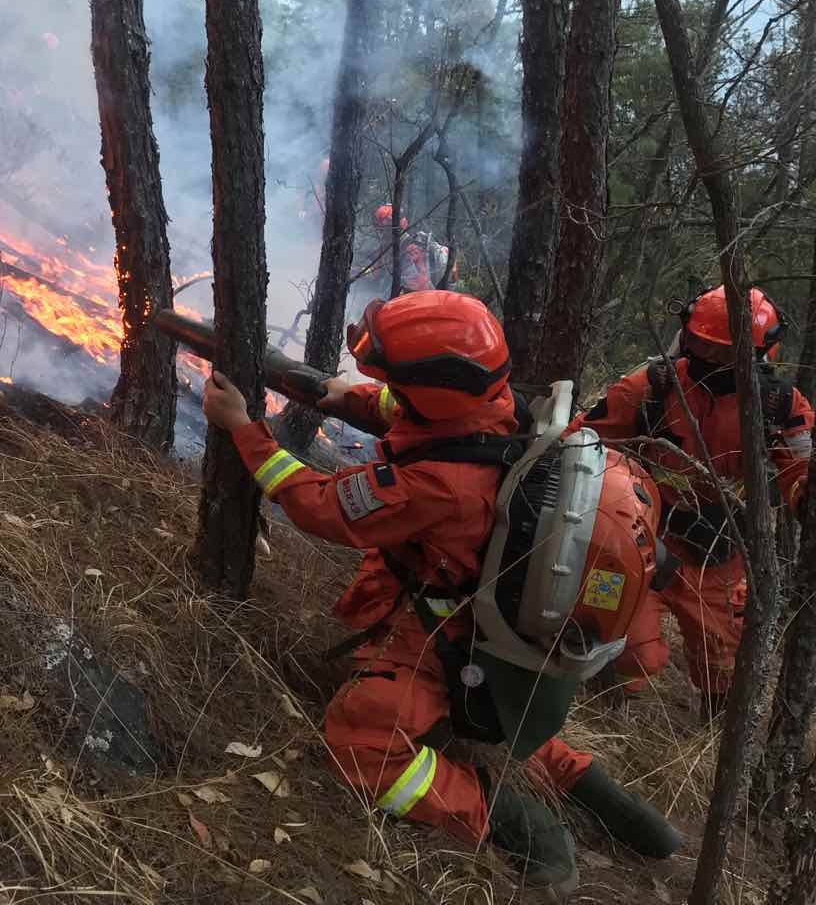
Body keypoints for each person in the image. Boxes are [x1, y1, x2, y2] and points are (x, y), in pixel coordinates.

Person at [202, 290, 680, 890]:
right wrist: (342, 394)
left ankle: (519, 825)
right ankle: (616, 807)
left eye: (397, 382)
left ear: (428, 392)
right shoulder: (510, 409)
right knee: (515, 719)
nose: (390, 391)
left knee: (363, 740)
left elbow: (323, 507)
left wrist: (244, 430)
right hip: (517, 644)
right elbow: (424, 422)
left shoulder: (438, 489)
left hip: (453, 636)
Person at [575, 285, 813, 715]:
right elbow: (584, 439)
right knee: (627, 649)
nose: (707, 357)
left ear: (756, 353)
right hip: (644, 541)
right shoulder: (653, 386)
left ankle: (712, 741)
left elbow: (800, 470)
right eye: (700, 344)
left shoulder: (778, 405)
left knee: (724, 665)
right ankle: (606, 719)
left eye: (720, 351)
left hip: (719, 554)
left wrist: (805, 497)